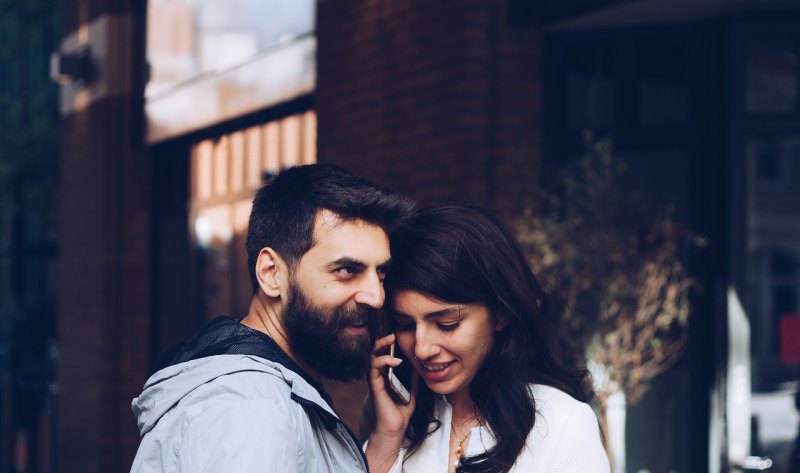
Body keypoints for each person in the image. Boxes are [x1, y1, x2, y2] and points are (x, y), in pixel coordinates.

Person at [130, 164, 414, 472]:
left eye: (380, 272)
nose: (376, 296)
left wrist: (385, 437)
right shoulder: (252, 410)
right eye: (347, 271)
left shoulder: (265, 393)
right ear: (271, 273)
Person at [364, 201, 610, 473]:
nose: (422, 349)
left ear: (501, 314)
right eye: (405, 325)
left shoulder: (563, 423)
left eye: (447, 324)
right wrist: (386, 437)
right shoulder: (394, 422)